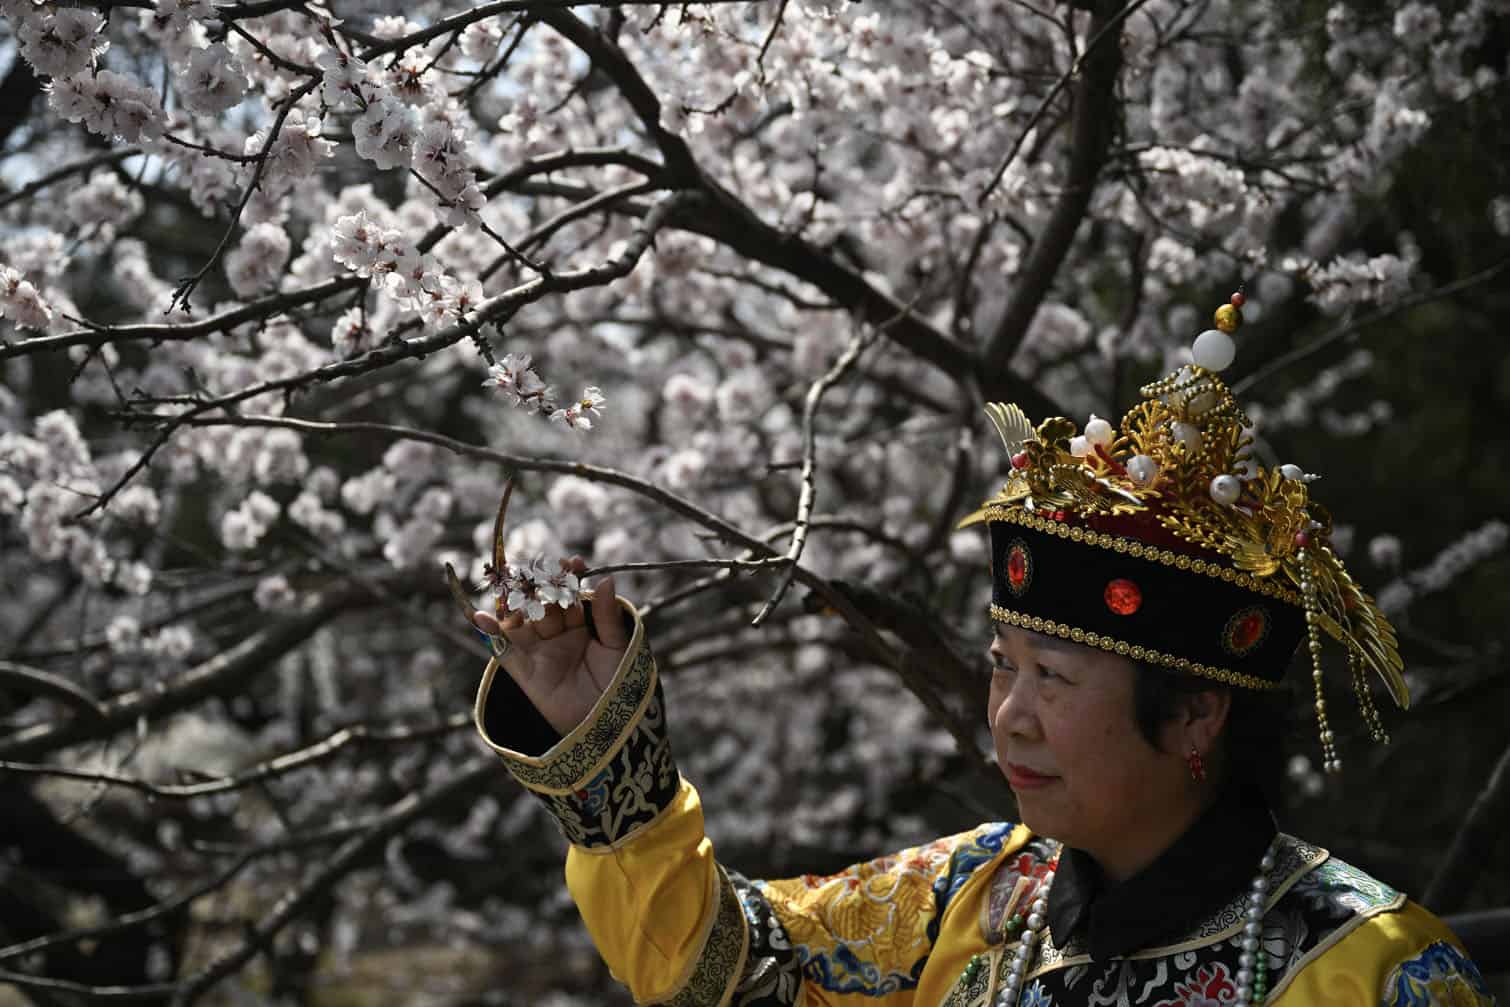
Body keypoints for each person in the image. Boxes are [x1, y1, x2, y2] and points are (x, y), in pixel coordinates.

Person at [465, 296, 1496, 1006]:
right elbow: (727, 970)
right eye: (1004, 663)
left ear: (1195, 711)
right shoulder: (971, 894)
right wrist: (609, 760)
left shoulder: (1375, 971)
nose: (1009, 713)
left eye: (1053, 675)